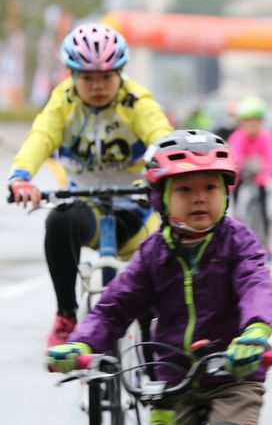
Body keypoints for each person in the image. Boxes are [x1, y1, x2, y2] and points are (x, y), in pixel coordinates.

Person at [47, 129, 272, 425]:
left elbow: (255, 285)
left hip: (233, 376)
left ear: (225, 193)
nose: (199, 198)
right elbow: (114, 306)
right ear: (161, 199)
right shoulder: (153, 253)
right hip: (172, 384)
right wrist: (81, 344)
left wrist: (255, 332)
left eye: (210, 187)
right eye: (184, 189)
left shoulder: (238, 242)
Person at [8, 23, 173, 348]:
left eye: (106, 77)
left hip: (138, 209)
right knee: (59, 219)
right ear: (72, 76)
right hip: (88, 208)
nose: (97, 85)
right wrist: (20, 176)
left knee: (152, 292)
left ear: (120, 73)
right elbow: (41, 136)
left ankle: (154, 350)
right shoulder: (63, 101)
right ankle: (66, 314)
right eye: (87, 78)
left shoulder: (136, 100)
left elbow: (160, 135)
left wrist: (168, 167)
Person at [227, 96, 272, 255]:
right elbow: (234, 156)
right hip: (240, 176)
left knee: (264, 208)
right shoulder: (237, 137)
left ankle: (265, 242)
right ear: (242, 122)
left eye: (256, 121)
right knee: (236, 204)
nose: (252, 125)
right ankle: (236, 237)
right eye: (248, 121)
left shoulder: (266, 137)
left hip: (260, 177)